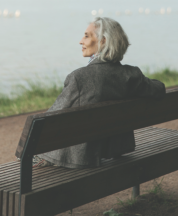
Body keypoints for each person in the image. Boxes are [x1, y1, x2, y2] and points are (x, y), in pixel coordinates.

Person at [34, 17, 166, 168]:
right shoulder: (131, 75)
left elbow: (48, 120)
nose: (80, 41)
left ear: (103, 41)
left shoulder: (79, 78)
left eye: (86, 36)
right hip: (114, 150)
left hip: (81, 158)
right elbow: (159, 89)